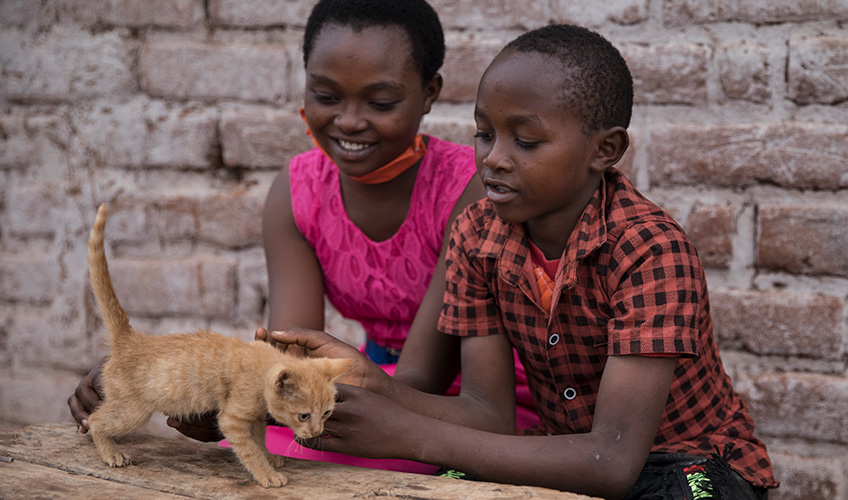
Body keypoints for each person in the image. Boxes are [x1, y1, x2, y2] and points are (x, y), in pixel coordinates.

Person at [258, 24, 778, 499]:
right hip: (557, 453)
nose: (494, 158)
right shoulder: (478, 234)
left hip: (687, 465)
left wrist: (411, 435)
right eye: (485, 133)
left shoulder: (649, 250)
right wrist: (374, 381)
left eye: (526, 141)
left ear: (606, 150)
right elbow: (487, 416)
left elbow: (613, 460)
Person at [67, 0, 537, 473]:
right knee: (245, 447)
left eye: (380, 103)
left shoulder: (467, 191)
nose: (349, 121)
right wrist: (145, 376)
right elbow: (284, 356)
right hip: (364, 380)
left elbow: (422, 377)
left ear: (429, 93)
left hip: (465, 400)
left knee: (311, 456)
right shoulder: (297, 192)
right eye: (326, 95)